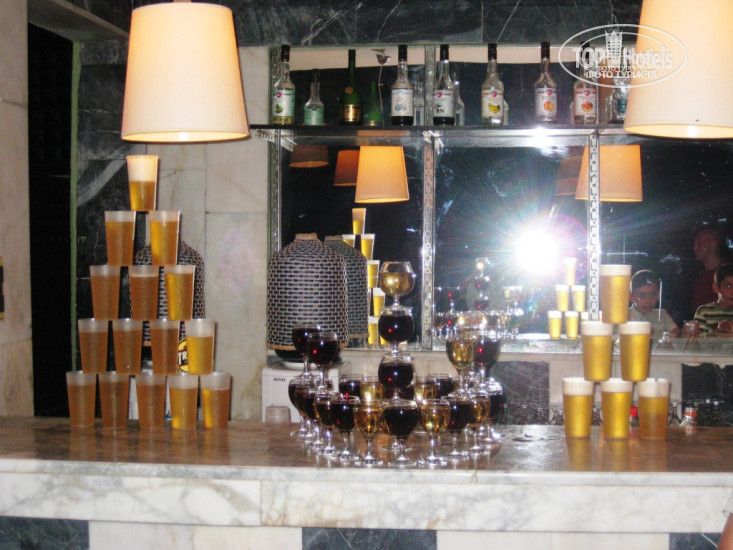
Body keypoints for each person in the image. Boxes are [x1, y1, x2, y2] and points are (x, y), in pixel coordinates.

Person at [628, 270, 680, 337]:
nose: (648, 300)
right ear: (631, 297)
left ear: (658, 295)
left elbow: (676, 333)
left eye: (653, 294)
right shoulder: (624, 316)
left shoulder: (662, 315)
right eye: (642, 295)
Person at [691, 225, 725, 315]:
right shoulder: (699, 277)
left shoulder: (728, 273)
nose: (694, 248)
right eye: (694, 244)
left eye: (699, 243)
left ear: (713, 244)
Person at [693, 263, 733, 335]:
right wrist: (717, 331)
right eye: (728, 286)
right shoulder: (704, 312)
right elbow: (699, 339)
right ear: (716, 288)